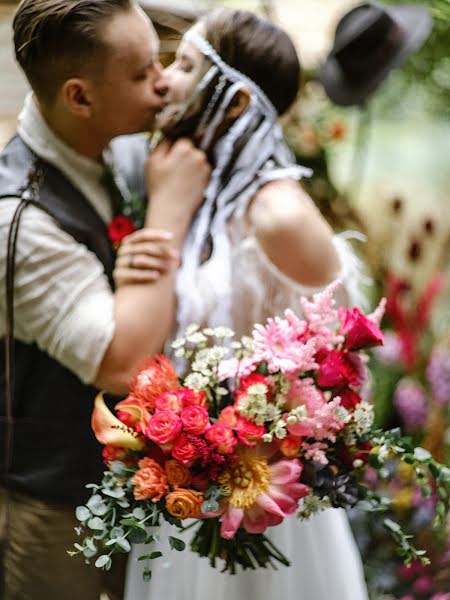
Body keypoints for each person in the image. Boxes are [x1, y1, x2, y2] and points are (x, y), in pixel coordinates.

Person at [121, 7, 369, 600]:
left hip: (261, 500)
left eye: (184, 66)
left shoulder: (278, 215)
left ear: (233, 102)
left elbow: (341, 377)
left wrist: (247, 443)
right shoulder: (196, 190)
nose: (164, 80)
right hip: (185, 488)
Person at [0, 1, 210, 598]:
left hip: (118, 495)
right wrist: (166, 216)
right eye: (142, 73)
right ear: (79, 97)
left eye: (162, 63)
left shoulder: (111, 150)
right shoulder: (16, 219)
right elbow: (121, 365)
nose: (164, 82)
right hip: (52, 511)